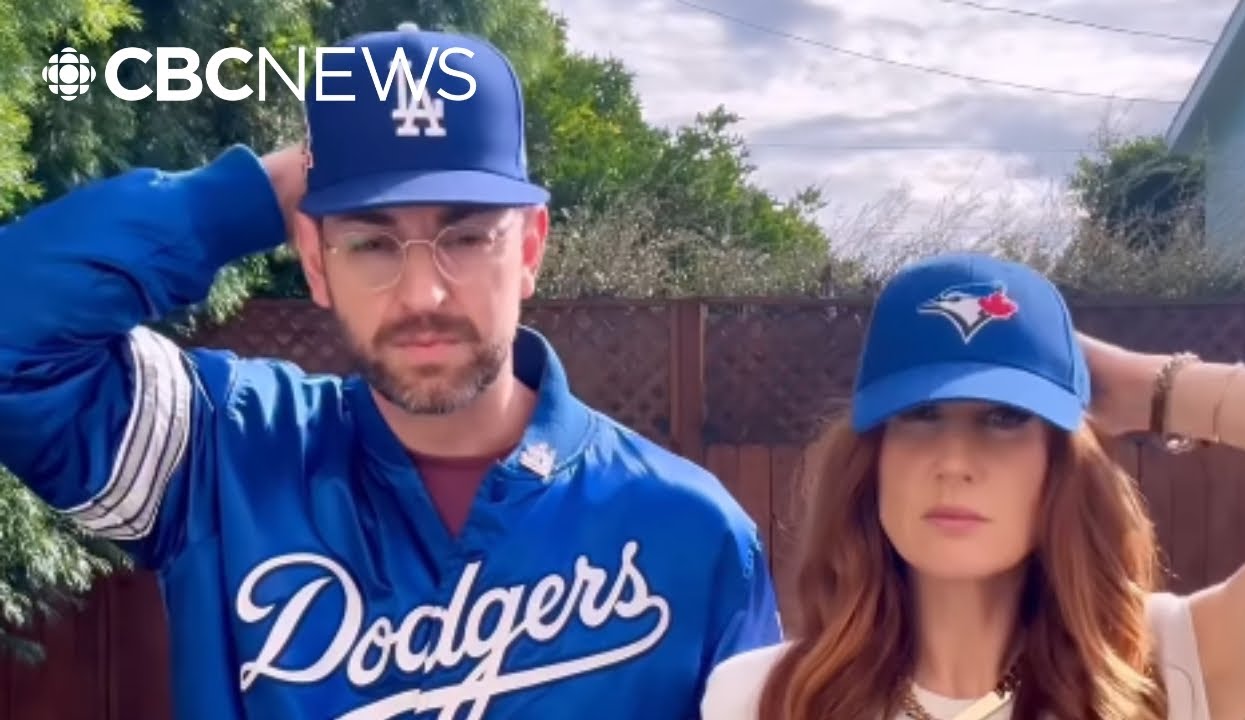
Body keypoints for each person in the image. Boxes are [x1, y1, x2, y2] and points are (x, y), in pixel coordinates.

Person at [0, 23, 781, 720]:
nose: (422, 294)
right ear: (315, 260)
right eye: (371, 243)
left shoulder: (692, 533)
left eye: (466, 237)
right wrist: (260, 192)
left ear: (530, 248)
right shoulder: (220, 454)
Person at [700, 252, 1245, 720]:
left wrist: (1153, 388)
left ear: (1060, 464)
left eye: (1005, 418)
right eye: (922, 415)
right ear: (872, 460)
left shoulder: (1162, 667)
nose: (954, 462)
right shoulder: (763, 699)